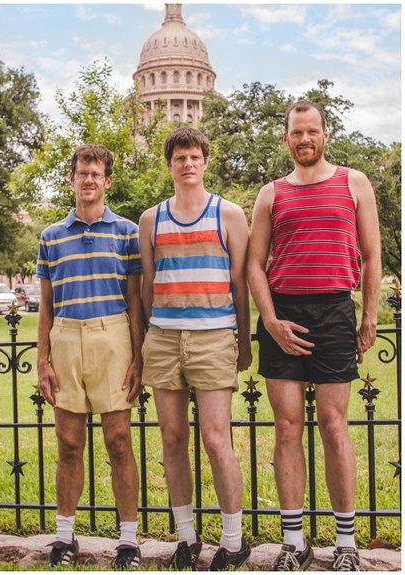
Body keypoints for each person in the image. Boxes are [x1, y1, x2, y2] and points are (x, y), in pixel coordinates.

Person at [248, 100, 381, 572]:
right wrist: (269, 320)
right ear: (286, 138)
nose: (304, 139)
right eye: (295, 133)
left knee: (334, 424)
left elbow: (370, 256)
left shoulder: (354, 182)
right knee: (286, 427)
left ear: (325, 134)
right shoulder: (271, 194)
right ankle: (293, 542)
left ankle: (346, 542)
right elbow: (253, 265)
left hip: (333, 311)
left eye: (312, 131)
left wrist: (368, 314)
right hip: (283, 313)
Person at [138, 127, 252, 570]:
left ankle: (233, 538)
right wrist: (152, 332)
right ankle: (186, 538)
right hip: (164, 338)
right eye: (179, 157)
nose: (188, 163)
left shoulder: (229, 214)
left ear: (206, 161)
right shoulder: (153, 218)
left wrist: (242, 343)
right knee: (171, 439)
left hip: (213, 337)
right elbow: (148, 283)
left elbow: (239, 285)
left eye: (194, 156)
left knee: (215, 439)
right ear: (169, 165)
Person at [36, 143, 144, 569]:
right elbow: (45, 305)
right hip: (66, 336)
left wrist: (137, 356)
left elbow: (135, 300)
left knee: (119, 441)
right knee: (68, 443)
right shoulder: (50, 236)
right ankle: (64, 538)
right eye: (82, 172)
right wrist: (42, 360)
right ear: (72, 178)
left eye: (96, 173)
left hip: (112, 334)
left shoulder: (127, 232)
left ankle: (129, 541)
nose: (89, 180)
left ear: (107, 181)